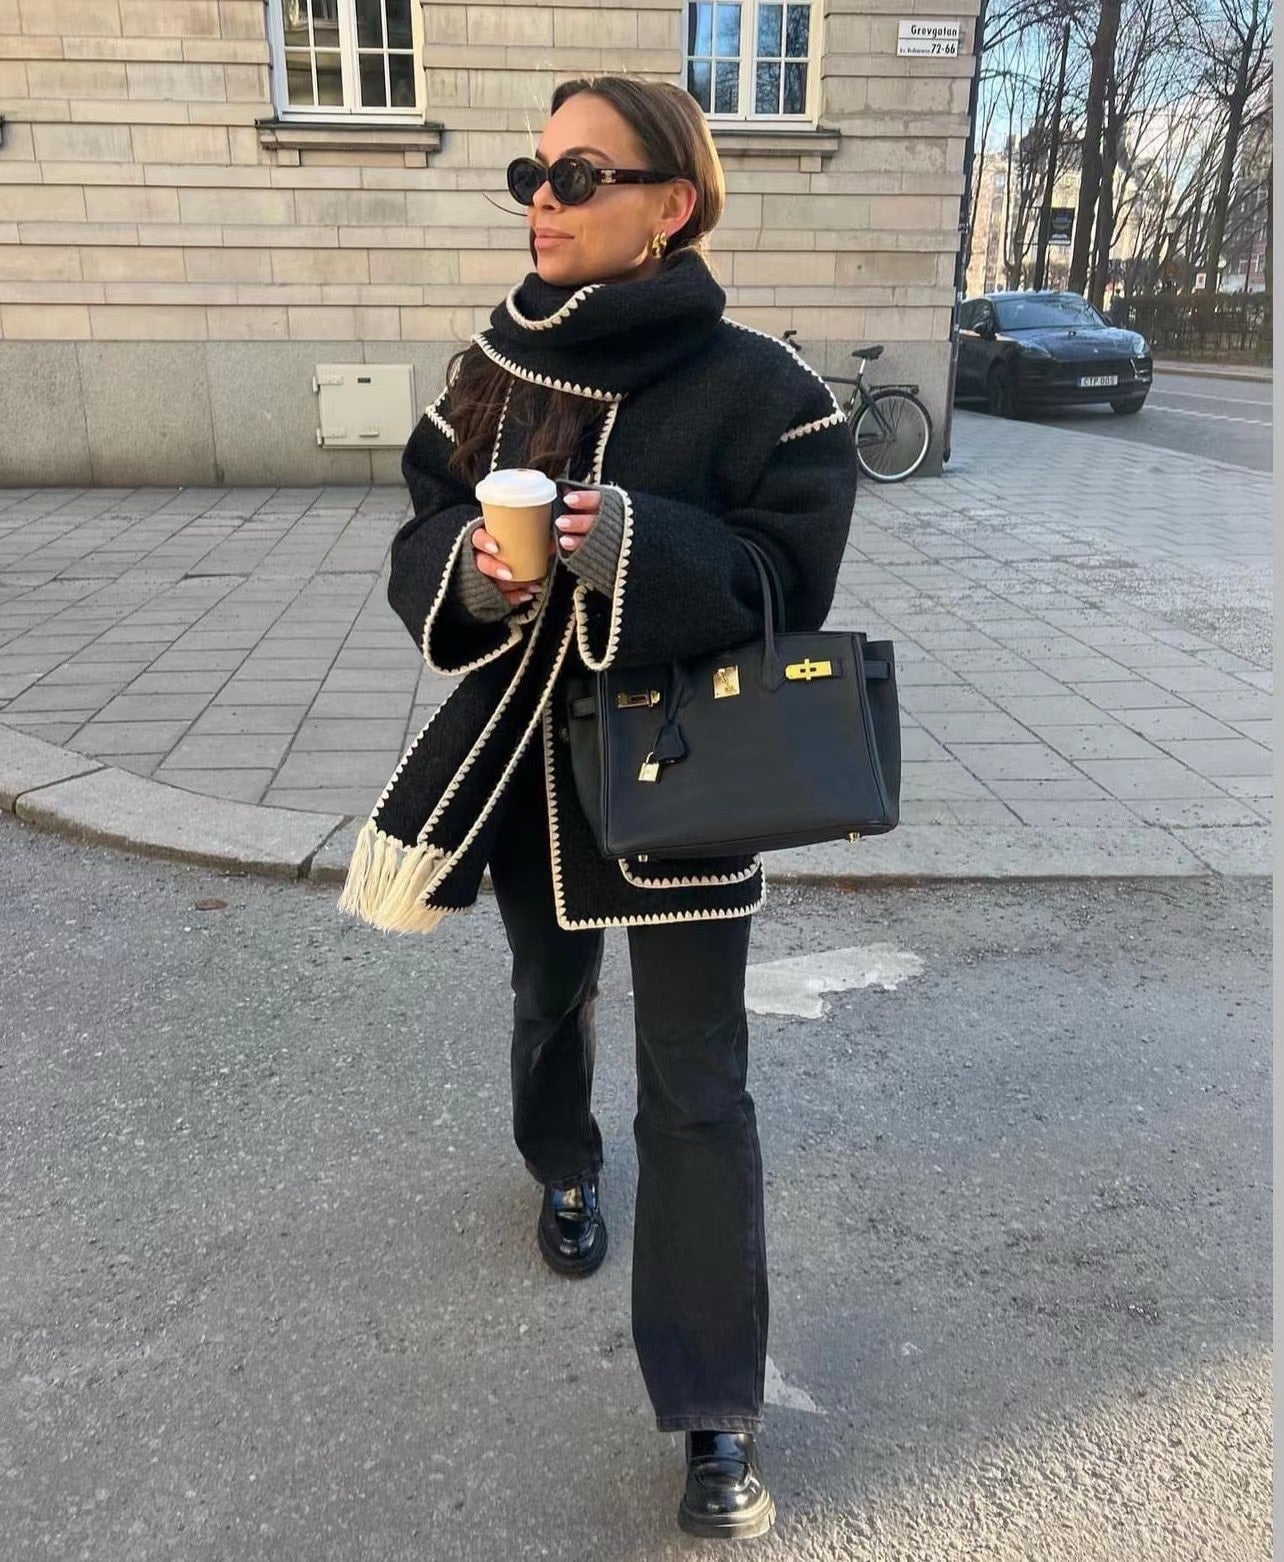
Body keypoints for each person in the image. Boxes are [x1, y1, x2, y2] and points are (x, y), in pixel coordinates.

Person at [343, 76, 858, 1540]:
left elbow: (786, 586)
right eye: (533, 170)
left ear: (669, 203)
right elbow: (420, 522)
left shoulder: (767, 389)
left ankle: (714, 1410)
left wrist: (638, 542)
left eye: (579, 174)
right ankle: (563, 1165)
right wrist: (471, 574)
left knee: (700, 1091)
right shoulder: (491, 368)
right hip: (524, 783)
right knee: (545, 999)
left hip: (693, 778)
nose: (542, 199)